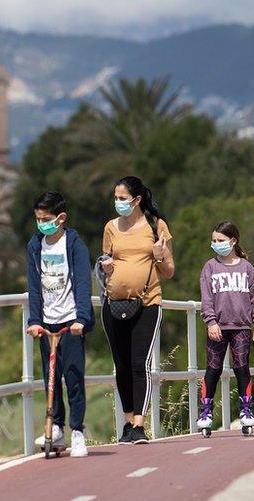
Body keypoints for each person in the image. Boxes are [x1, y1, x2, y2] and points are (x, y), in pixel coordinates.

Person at [97, 176, 175, 445]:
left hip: (147, 303)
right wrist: (104, 267)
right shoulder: (110, 227)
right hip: (112, 303)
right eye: (115, 198)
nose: (118, 203)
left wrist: (158, 255)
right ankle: (127, 422)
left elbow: (169, 271)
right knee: (121, 366)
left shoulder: (156, 226)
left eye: (122, 198)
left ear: (137, 199)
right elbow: (104, 261)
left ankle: (140, 424)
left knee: (139, 363)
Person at [26, 191, 95, 458]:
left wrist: (82, 318)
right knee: (50, 378)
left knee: (74, 377)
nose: (41, 223)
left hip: (70, 321)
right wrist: (34, 320)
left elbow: (82, 283)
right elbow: (34, 286)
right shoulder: (35, 246)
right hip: (46, 322)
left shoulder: (73, 245)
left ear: (61, 218)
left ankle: (77, 431)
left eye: (46, 219)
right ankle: (56, 426)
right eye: (38, 219)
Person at [197, 221, 254, 433]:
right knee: (213, 369)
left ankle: (246, 411)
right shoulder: (210, 267)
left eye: (221, 240)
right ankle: (205, 412)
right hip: (217, 327)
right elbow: (206, 298)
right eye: (213, 240)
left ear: (233, 241)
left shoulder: (247, 269)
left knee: (242, 367)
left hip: (242, 326)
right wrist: (210, 321)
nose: (216, 244)